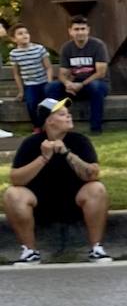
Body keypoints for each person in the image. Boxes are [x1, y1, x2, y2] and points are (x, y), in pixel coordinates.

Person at [4, 97, 112, 264]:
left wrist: (67, 154)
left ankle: (97, 248)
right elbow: (16, 179)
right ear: (49, 121)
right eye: (62, 114)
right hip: (39, 204)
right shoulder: (31, 144)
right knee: (12, 194)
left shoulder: (80, 141)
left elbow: (92, 174)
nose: (69, 117)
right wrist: (43, 158)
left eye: (68, 114)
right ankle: (30, 251)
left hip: (75, 202)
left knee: (97, 188)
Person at [44, 16, 110, 135]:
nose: (80, 32)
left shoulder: (98, 46)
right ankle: (57, 125)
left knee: (95, 87)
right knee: (51, 87)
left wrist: (82, 84)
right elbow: (63, 73)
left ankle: (96, 128)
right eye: (76, 29)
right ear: (70, 31)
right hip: (74, 85)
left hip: (96, 84)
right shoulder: (67, 48)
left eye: (83, 29)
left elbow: (101, 73)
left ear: (88, 30)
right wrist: (67, 84)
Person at [7, 24, 53, 129]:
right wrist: (21, 91)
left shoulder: (39, 49)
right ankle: (37, 126)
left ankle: (50, 125)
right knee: (31, 103)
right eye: (20, 34)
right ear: (14, 39)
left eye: (26, 33)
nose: (24, 35)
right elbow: (16, 74)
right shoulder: (14, 54)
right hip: (30, 84)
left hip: (44, 82)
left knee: (48, 102)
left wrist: (49, 83)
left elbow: (48, 67)